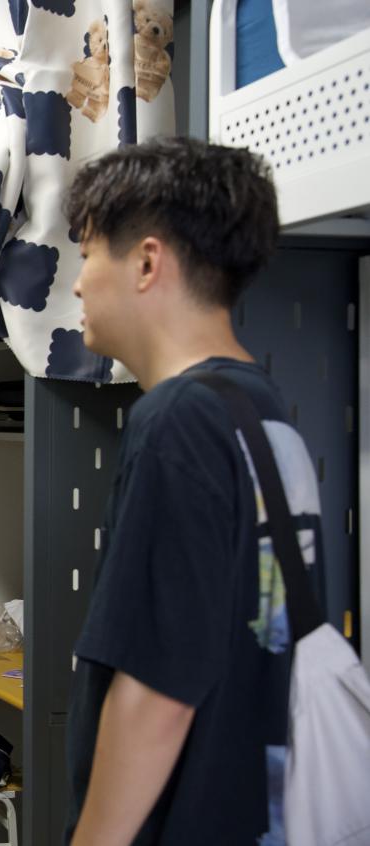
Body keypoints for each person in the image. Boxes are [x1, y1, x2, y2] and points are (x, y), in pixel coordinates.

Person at [64, 137, 321, 845]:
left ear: (147, 263)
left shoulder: (176, 421)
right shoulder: (261, 408)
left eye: (87, 254)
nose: (78, 285)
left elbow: (157, 692)